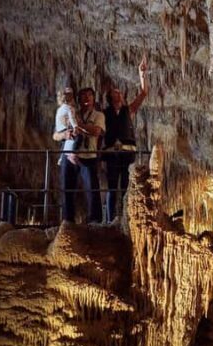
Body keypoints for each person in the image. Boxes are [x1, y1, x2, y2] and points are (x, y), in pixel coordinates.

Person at [102, 57, 149, 222]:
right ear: (110, 97)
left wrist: (142, 74)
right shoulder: (104, 113)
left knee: (126, 187)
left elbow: (143, 93)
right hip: (111, 153)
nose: (119, 94)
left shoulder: (128, 110)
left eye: (119, 93)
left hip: (127, 152)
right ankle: (109, 219)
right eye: (116, 92)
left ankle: (125, 218)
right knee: (112, 187)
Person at [52, 86, 105, 223]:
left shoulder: (98, 115)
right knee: (66, 190)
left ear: (94, 98)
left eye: (89, 95)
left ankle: (95, 221)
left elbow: (96, 131)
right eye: (83, 96)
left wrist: (79, 125)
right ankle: (67, 221)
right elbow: (55, 135)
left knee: (92, 190)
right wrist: (65, 134)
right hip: (68, 156)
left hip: (88, 156)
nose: (86, 98)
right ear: (78, 99)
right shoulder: (71, 111)